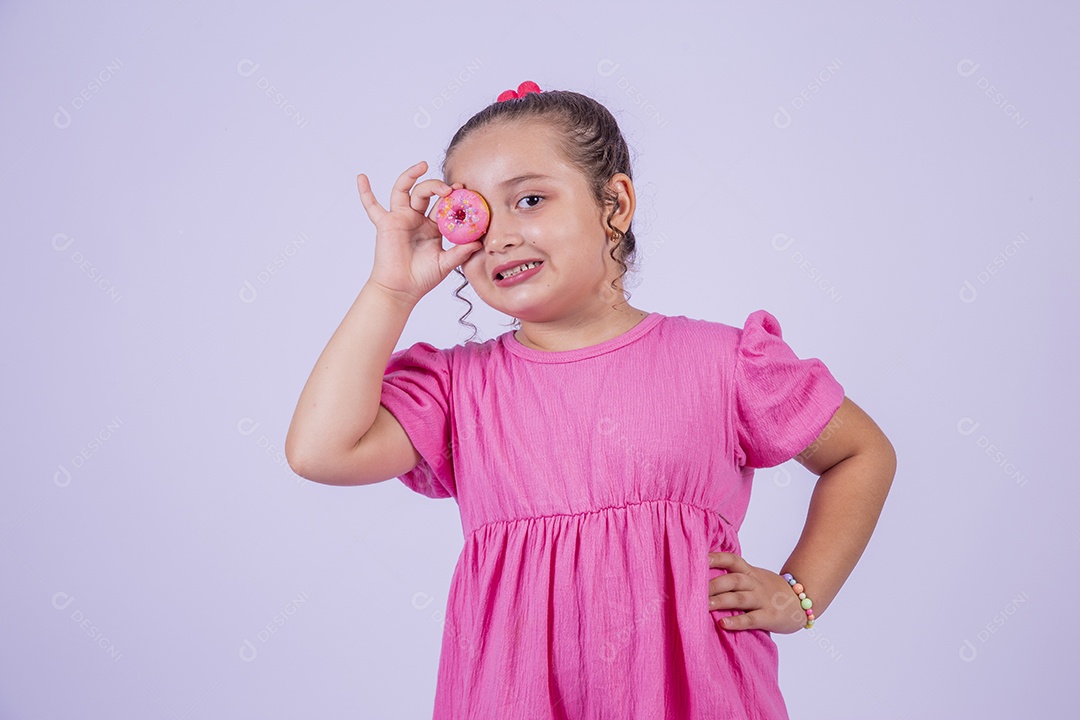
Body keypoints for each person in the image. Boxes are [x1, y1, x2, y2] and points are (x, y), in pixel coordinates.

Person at [285, 81, 896, 719]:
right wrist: (391, 288)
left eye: (528, 199)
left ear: (616, 203)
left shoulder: (722, 363)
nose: (498, 237)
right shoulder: (457, 389)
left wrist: (800, 594)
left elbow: (860, 452)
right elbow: (321, 451)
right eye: (473, 214)